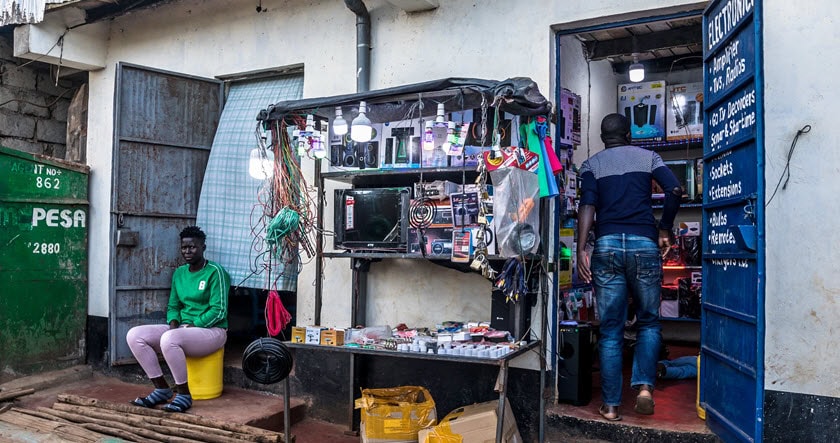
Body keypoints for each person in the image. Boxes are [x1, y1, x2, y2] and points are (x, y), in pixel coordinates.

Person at [576, 114, 682, 421]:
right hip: (644, 245)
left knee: (611, 329)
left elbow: (587, 205)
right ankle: (645, 388)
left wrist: (582, 248)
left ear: (601, 136)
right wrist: (664, 229)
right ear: (629, 134)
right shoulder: (649, 158)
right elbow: (675, 190)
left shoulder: (592, 165)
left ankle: (610, 406)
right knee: (649, 322)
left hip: (607, 247)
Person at [126, 226, 230, 413]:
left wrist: (193, 325)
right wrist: (173, 324)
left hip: (212, 331)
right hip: (184, 330)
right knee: (135, 335)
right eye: (184, 248)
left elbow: (219, 310)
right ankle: (161, 389)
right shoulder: (179, 273)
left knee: (170, 339)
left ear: (203, 247)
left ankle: (183, 395)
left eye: (193, 247)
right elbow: (173, 306)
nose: (187, 252)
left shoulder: (215, 272)